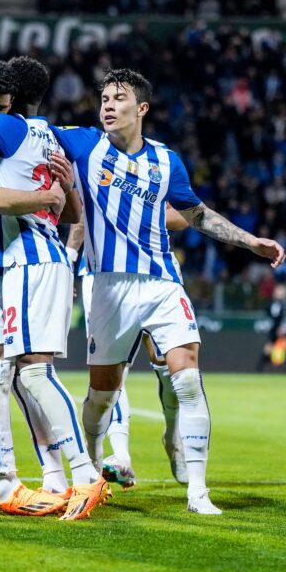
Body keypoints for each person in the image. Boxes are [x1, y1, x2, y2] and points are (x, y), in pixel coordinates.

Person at [52, 68, 285, 515]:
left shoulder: (166, 160)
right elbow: (26, 128)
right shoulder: (81, 143)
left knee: (188, 378)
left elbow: (197, 214)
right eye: (103, 97)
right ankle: (94, 464)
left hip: (161, 282)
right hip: (106, 287)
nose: (107, 105)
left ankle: (198, 490)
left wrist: (250, 241)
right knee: (102, 395)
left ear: (141, 108)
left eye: (118, 98)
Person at [0, 56, 106, 522]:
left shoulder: (7, 131)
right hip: (11, 261)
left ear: (12, 107)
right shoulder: (57, 134)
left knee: (24, 373)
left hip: (26, 261)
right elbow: (63, 207)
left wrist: (59, 194)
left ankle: (72, 476)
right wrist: (62, 190)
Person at [66, 204, 192, 488]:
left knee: (166, 366)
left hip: (154, 271)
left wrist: (136, 213)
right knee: (112, 370)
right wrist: (69, 256)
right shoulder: (94, 160)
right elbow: (83, 209)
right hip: (102, 275)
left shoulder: (159, 161)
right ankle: (121, 455)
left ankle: (173, 437)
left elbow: (184, 215)